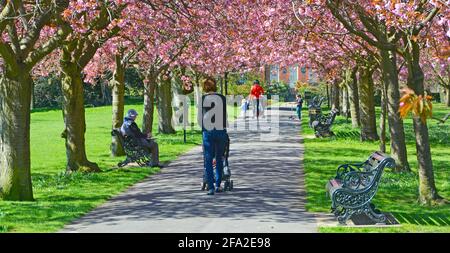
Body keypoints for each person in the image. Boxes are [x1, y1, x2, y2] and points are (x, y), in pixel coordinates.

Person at [200, 78, 228, 195]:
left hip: (208, 131)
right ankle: (218, 185)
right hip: (220, 130)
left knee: (208, 159)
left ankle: (210, 187)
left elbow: (200, 117)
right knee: (219, 158)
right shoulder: (222, 98)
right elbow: (225, 115)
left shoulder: (203, 99)